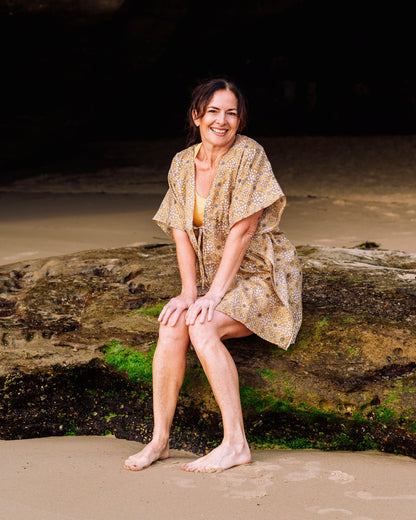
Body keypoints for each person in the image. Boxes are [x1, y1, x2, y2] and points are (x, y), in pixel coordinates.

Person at [124, 77, 302, 473]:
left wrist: (212, 296)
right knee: (172, 325)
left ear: (240, 120)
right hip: (210, 279)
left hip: (260, 276)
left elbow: (244, 230)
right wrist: (190, 291)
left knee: (202, 328)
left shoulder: (249, 155)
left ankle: (236, 443)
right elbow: (180, 230)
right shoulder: (182, 163)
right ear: (197, 115)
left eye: (232, 113)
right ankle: (159, 441)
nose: (222, 121)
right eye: (214, 111)